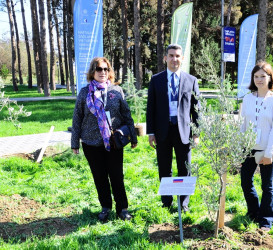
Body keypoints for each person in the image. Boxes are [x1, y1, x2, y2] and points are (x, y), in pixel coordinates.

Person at [71, 57, 138, 222]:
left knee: (116, 176)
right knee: (100, 177)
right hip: (91, 143)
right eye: (99, 69)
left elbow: (126, 115)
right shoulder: (84, 93)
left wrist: (133, 136)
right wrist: (74, 142)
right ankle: (105, 207)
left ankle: (122, 209)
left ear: (109, 72)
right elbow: (77, 118)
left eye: (106, 69)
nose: (103, 72)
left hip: (114, 143)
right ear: (93, 72)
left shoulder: (116, 91)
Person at [146, 44, 200, 212]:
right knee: (164, 167)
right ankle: (166, 202)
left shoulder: (191, 81)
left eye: (177, 56)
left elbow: (197, 109)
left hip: (184, 132)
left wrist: (196, 133)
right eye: (171, 55)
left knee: (185, 167)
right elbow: (151, 108)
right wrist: (151, 132)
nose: (174, 59)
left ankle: (183, 204)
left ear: (182, 59)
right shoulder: (156, 80)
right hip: (163, 131)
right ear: (165, 58)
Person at [240, 61, 273, 231]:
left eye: (263, 76)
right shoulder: (247, 98)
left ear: (270, 78)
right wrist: (240, 148)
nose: (259, 79)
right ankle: (253, 212)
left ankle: (266, 219)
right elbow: (242, 125)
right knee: (245, 181)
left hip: (267, 148)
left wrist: (269, 151)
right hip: (248, 148)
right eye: (256, 76)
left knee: (267, 185)